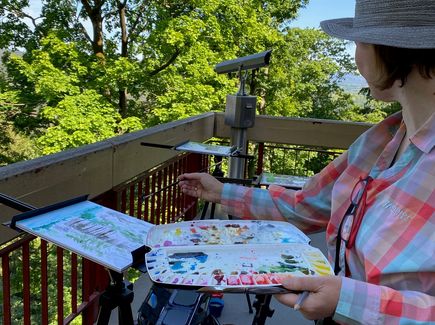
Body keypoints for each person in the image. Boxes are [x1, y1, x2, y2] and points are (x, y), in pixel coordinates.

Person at [179, 0, 435, 324]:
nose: (356, 57)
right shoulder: (382, 139)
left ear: (391, 49)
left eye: (359, 43)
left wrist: (348, 301)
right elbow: (307, 205)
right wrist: (221, 192)